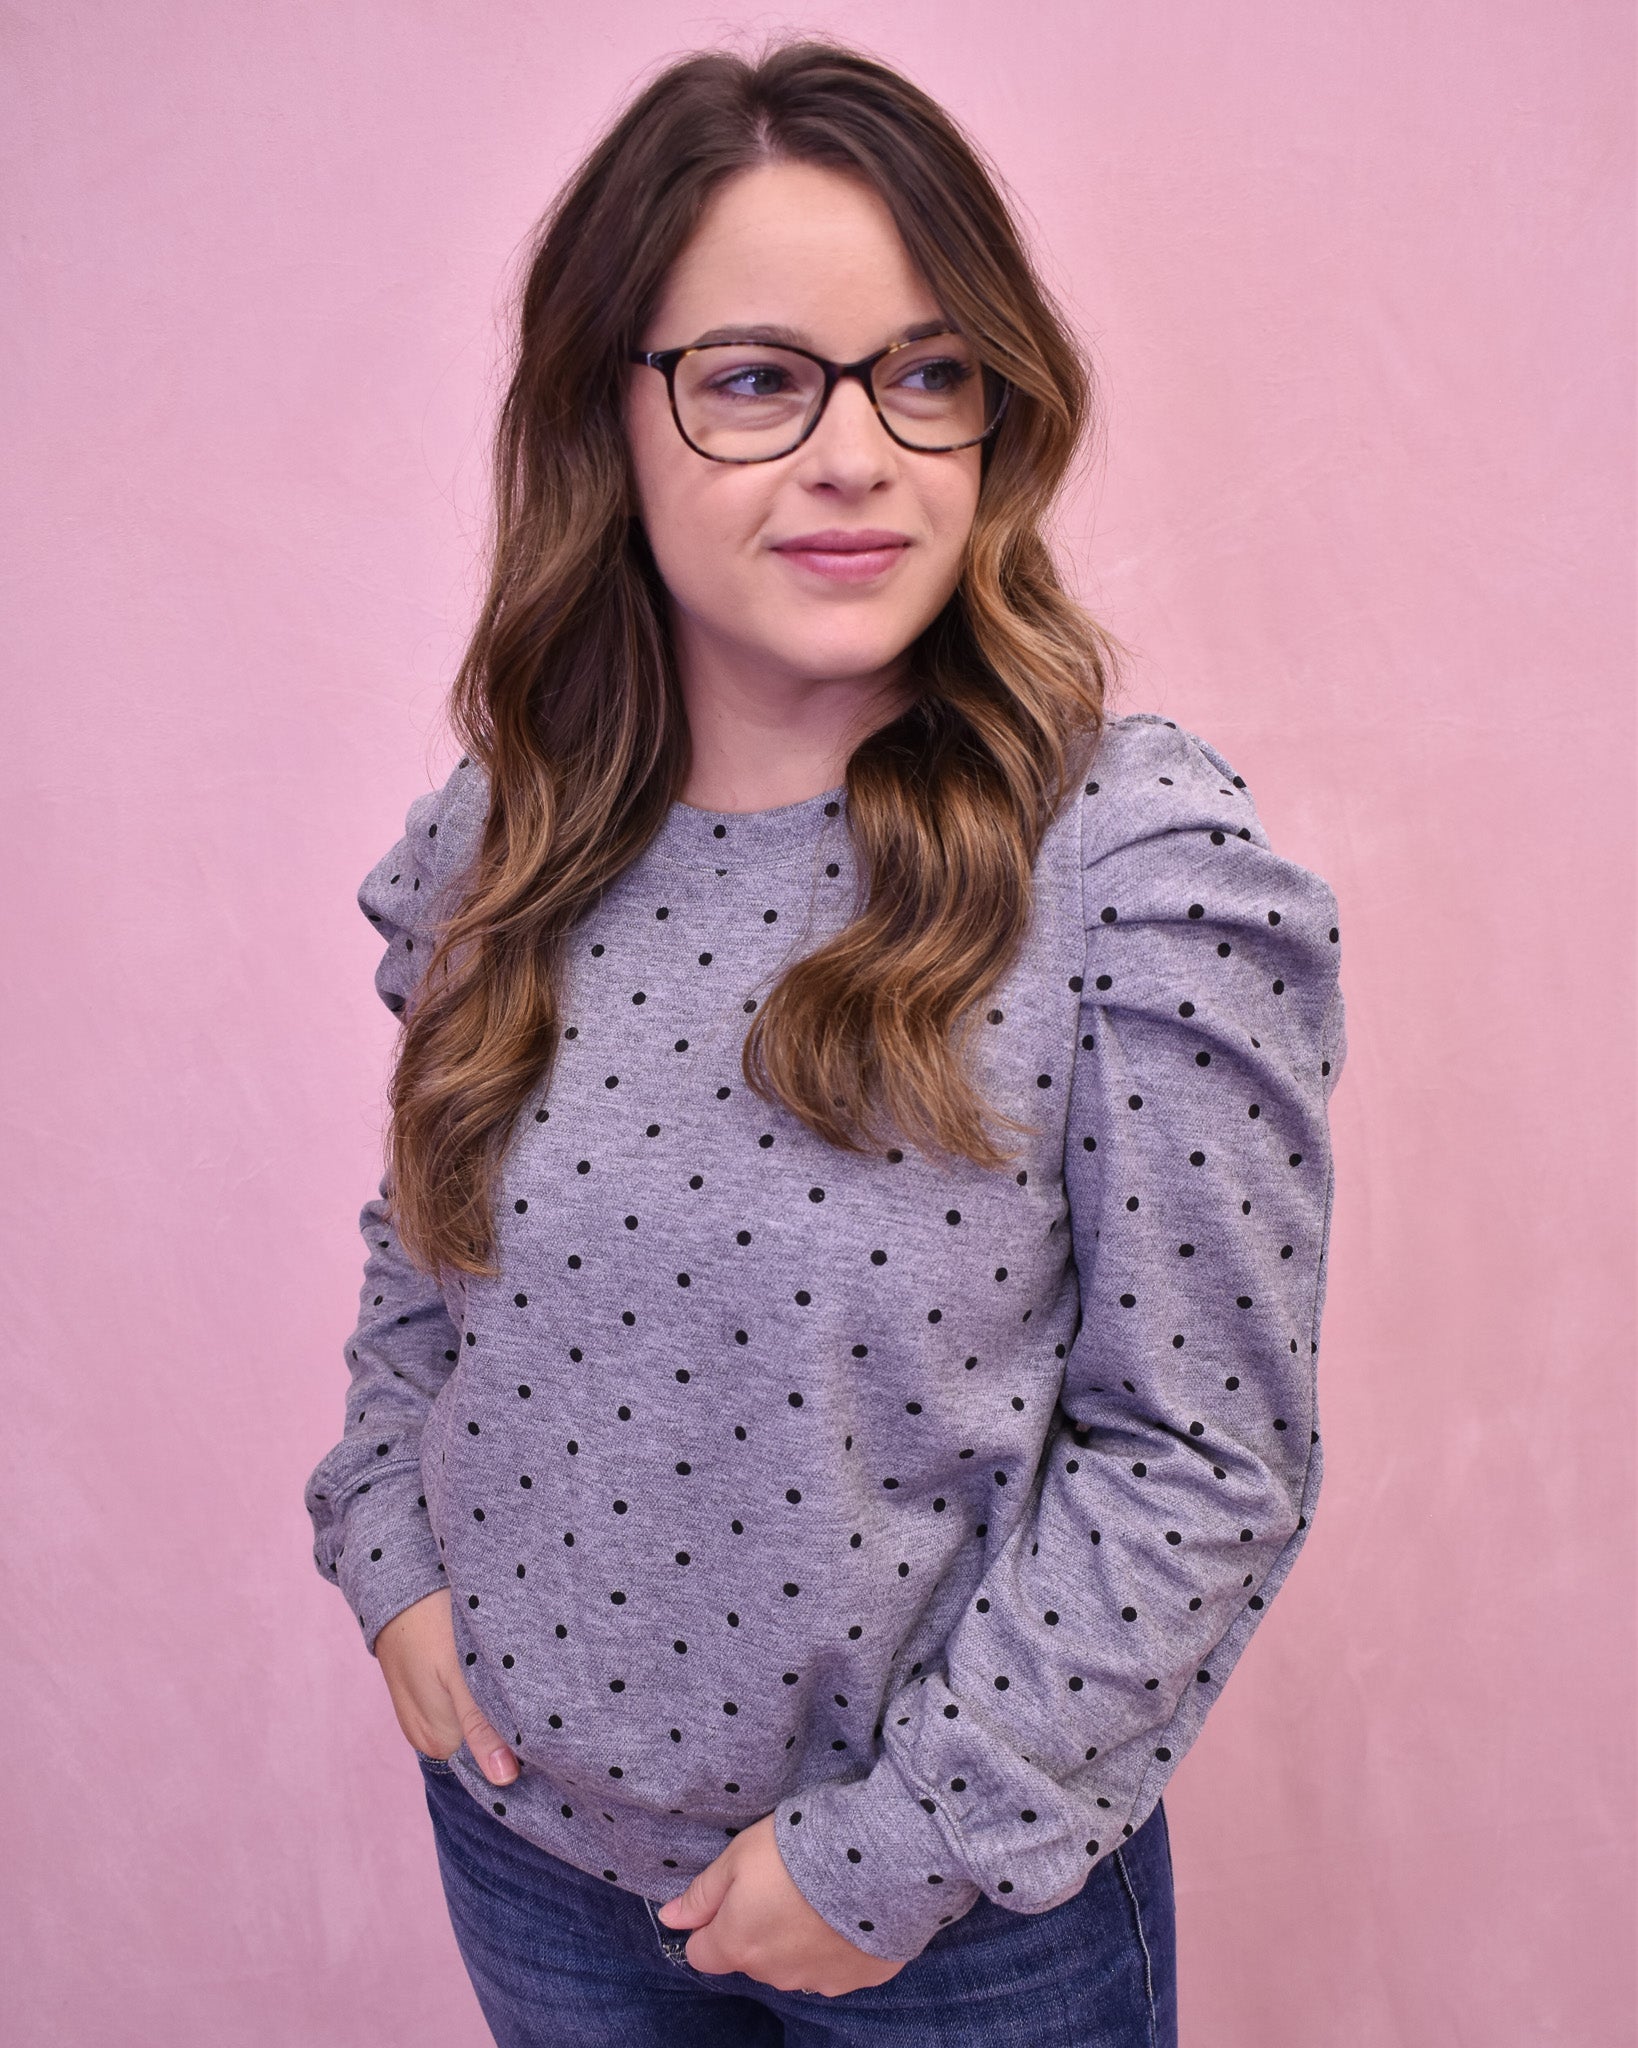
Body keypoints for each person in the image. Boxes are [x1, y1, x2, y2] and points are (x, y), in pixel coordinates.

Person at [303, 36, 1347, 2048]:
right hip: (528, 1854)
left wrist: (892, 1854)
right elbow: (427, 1258)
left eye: (926, 373)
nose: (861, 453)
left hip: (957, 1922)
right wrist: (387, 1545)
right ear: (606, 413)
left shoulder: (1131, 863)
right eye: (758, 379)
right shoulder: (497, 842)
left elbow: (1204, 1451)